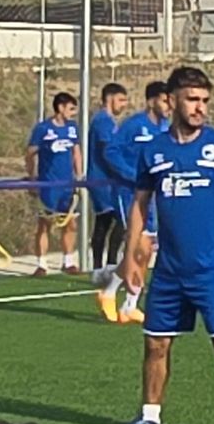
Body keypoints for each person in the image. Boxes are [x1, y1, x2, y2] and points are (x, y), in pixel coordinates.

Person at [115, 68, 214, 424]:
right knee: (155, 344)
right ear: (172, 100)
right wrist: (129, 257)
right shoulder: (153, 150)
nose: (200, 108)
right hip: (168, 272)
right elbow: (139, 204)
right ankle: (150, 416)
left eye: (204, 101)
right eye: (192, 100)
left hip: (211, 270)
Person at [86, 82, 148, 321]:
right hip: (109, 183)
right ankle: (106, 270)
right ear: (110, 98)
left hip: (121, 184)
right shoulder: (104, 122)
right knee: (120, 228)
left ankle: (124, 297)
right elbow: (109, 151)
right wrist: (129, 173)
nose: (125, 105)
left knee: (140, 243)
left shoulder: (114, 123)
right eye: (121, 100)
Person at [27, 90, 83, 273]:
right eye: (71, 108)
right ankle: (41, 264)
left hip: (67, 185)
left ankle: (68, 261)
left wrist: (79, 176)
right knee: (45, 223)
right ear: (60, 108)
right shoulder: (43, 129)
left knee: (70, 223)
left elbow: (76, 152)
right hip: (48, 185)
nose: (73, 112)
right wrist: (32, 176)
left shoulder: (72, 128)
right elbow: (30, 153)